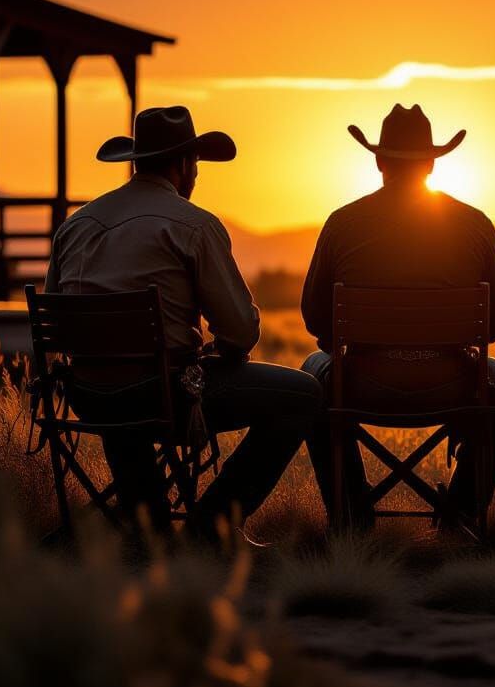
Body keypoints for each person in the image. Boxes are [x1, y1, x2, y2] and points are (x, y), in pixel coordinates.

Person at [45, 105, 321, 536]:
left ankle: (145, 522)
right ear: (184, 164)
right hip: (162, 397)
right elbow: (241, 331)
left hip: (89, 395)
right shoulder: (193, 225)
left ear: (136, 161)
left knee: (125, 386)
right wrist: (223, 351)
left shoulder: (74, 226)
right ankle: (212, 524)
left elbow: (60, 319)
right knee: (302, 394)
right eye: (196, 163)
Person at [300, 104, 495, 529]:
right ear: (433, 163)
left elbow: (314, 317)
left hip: (361, 384)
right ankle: (462, 515)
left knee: (311, 375)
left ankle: (351, 515)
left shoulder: (342, 223)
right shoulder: (474, 223)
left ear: (379, 160)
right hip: (453, 383)